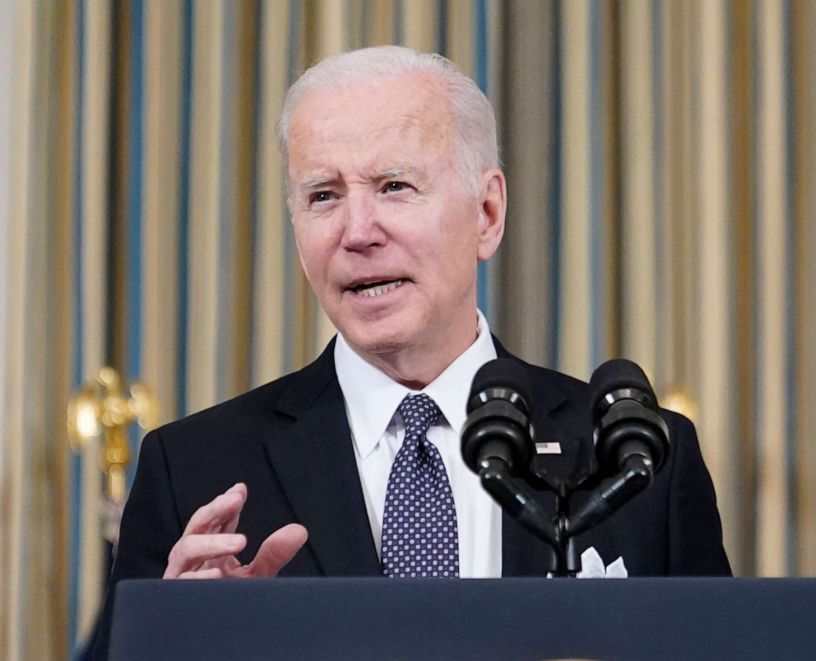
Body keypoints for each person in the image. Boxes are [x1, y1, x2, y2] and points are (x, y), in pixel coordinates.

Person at [93, 45, 730, 657]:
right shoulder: (194, 470)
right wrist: (173, 641)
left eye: (394, 185)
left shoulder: (636, 460)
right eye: (323, 196)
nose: (357, 232)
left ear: (486, 213)